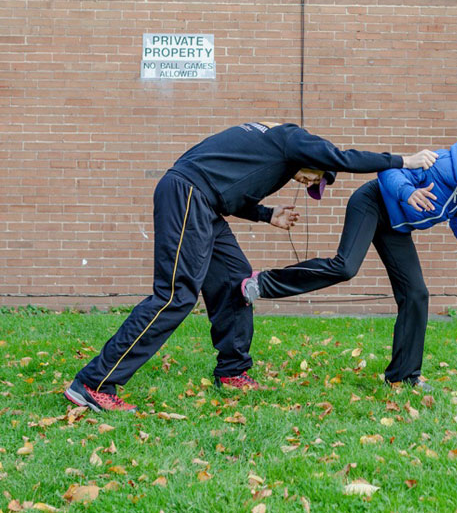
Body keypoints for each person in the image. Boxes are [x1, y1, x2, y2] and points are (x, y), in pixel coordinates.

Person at [64, 121, 438, 412]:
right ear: (317, 160)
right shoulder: (294, 139)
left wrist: (267, 214)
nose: (309, 183)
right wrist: (402, 161)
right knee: (176, 296)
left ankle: (232, 371)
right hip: (187, 195)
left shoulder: (274, 152)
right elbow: (344, 157)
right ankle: (95, 383)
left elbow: (231, 192)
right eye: (315, 178)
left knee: (236, 281)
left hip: (205, 203)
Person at [242, 140, 457, 390]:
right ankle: (261, 283)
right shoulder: (443, 163)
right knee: (345, 266)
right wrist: (407, 192)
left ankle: (404, 377)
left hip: (395, 226)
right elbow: (388, 171)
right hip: (372, 203)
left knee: (416, 294)